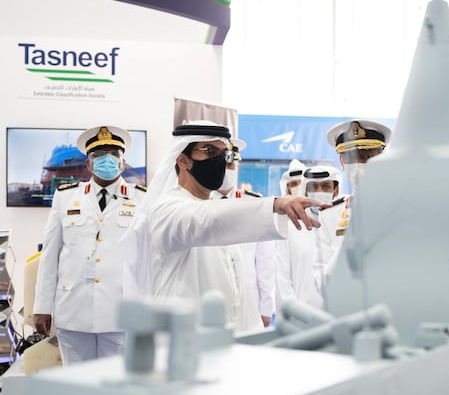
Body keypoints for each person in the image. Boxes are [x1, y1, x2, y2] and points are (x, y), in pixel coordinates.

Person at [129, 121, 326, 314]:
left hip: (222, 337)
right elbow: (205, 220)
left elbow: (238, 288)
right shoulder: (166, 209)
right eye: (210, 152)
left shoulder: (219, 210)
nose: (221, 161)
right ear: (182, 160)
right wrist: (275, 204)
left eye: (224, 154)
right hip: (183, 339)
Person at [34, 125, 145, 364]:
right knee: (77, 387)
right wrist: (41, 306)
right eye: (99, 154)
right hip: (74, 310)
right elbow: (50, 255)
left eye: (114, 154)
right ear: (88, 164)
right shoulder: (65, 197)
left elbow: (148, 259)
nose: (107, 159)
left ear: (122, 163)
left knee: (116, 387)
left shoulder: (142, 200)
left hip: (121, 313)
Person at [314, 119, 391, 295]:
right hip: (345, 310)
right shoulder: (329, 214)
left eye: (366, 156)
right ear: (342, 162)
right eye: (351, 158)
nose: (358, 165)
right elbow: (321, 283)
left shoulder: (398, 208)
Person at [216, 137, 277, 330]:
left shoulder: (254, 204)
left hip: (249, 301)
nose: (228, 170)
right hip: (212, 299)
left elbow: (265, 262)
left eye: (232, 165)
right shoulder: (199, 204)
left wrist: (266, 307)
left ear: (238, 168)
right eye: (223, 165)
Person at [276, 165, 344, 311]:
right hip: (301, 318)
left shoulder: (345, 227)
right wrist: (294, 313)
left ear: (336, 190)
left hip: (339, 314)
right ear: (305, 191)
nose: (319, 192)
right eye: (314, 187)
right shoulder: (290, 228)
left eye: (326, 186)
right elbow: (281, 278)